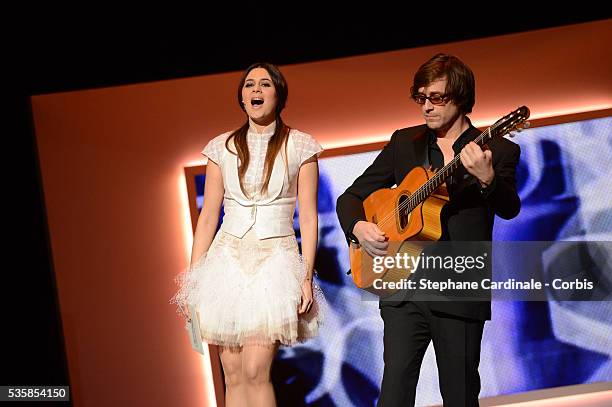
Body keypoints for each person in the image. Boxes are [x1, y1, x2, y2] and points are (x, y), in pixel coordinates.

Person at [336, 53, 521, 406]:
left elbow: (510, 207)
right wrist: (358, 227)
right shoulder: (405, 143)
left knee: (460, 394)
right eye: (421, 98)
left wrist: (488, 179)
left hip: (457, 286)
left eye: (436, 98)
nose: (427, 106)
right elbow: (352, 196)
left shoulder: (497, 149)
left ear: (461, 96)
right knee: (393, 394)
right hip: (402, 287)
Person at [171, 62, 325, 407]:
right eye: (249, 85)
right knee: (233, 369)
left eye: (265, 84)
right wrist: (194, 280)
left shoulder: (301, 146)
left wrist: (306, 276)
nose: (256, 90)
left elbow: (310, 217)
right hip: (227, 260)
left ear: (278, 94)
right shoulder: (220, 147)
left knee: (257, 368)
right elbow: (208, 215)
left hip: (274, 261)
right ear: (241, 97)